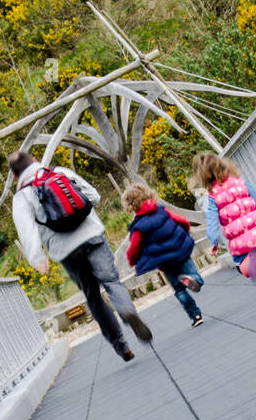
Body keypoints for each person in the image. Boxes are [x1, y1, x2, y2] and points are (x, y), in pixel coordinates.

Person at [9, 149, 152, 361]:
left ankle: (121, 347)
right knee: (111, 281)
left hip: (65, 251)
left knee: (93, 296)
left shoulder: (22, 196)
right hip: (92, 235)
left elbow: (27, 231)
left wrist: (38, 259)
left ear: (15, 176)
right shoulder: (58, 172)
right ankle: (125, 310)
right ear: (34, 160)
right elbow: (93, 196)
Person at [192, 151, 256, 304]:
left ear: (203, 176)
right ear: (223, 165)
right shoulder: (240, 182)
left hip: (240, 241)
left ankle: (248, 263)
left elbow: (212, 223)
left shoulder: (211, 197)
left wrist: (214, 242)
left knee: (242, 267)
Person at [122, 183, 205, 328]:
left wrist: (132, 261)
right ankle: (194, 280)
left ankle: (195, 315)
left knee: (179, 290)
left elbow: (134, 248)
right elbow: (183, 221)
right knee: (194, 275)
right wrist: (185, 233)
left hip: (165, 263)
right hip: (181, 252)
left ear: (129, 205)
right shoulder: (161, 211)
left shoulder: (138, 226)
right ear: (147, 194)